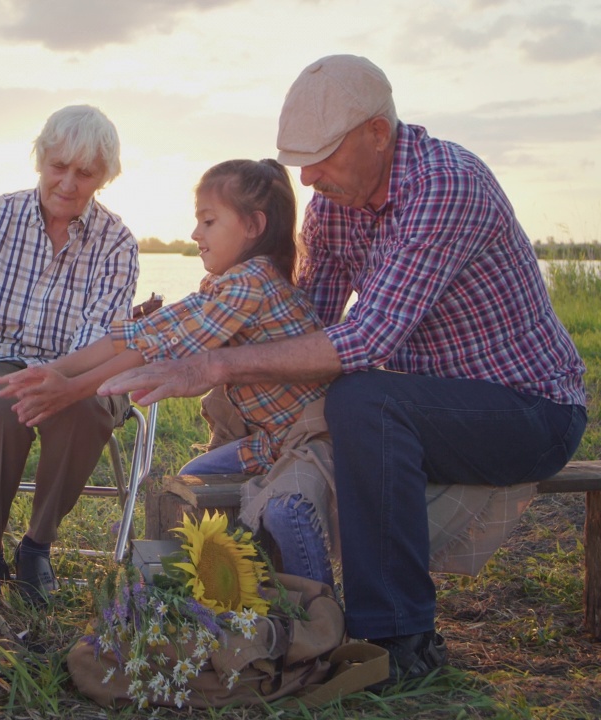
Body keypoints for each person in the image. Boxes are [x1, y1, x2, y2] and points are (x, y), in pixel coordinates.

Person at [98, 55, 587, 690]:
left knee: (362, 399)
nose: (306, 175)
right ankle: (285, 606)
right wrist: (216, 330)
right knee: (308, 425)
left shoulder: (446, 185)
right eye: (299, 158)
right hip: (433, 408)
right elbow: (307, 330)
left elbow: (365, 338)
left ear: (377, 134)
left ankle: (397, 637)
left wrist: (214, 361)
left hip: (528, 411)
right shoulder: (334, 205)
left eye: (321, 156)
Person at [0, 158, 336, 587]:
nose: (196, 234)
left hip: (314, 441)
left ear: (253, 226)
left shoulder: (252, 283)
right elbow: (142, 333)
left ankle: (320, 610)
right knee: (194, 481)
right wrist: (53, 370)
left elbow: (158, 347)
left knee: (288, 510)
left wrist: (73, 389)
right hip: (271, 442)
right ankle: (234, 587)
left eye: (208, 221)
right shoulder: (227, 284)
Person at [0, 105, 139, 605]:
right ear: (40, 160)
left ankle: (36, 546)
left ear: (104, 178)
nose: (69, 183)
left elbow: (103, 335)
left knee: (82, 406)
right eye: (59, 166)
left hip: (77, 364)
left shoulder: (117, 242)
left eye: (86, 173)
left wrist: (55, 378)